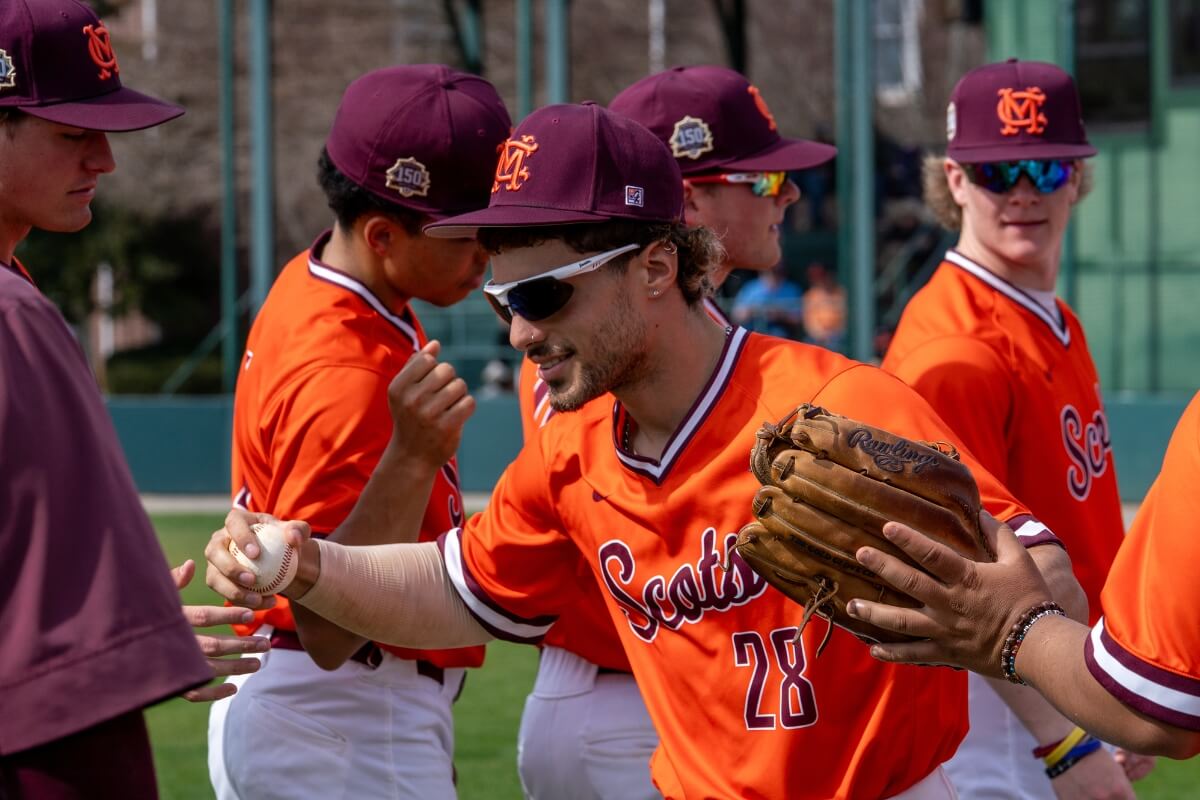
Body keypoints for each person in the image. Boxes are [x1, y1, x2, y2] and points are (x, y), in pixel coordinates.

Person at [206, 102, 1087, 800]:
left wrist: (1003, 633)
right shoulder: (573, 451)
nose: (517, 332)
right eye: (501, 299)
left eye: (545, 294)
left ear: (657, 268)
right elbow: (450, 588)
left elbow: (1042, 578)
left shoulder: (839, 404)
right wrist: (301, 562)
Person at [512, 64, 836, 799]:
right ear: (688, 201)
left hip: (634, 689)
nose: (786, 195)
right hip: (625, 694)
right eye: (761, 182)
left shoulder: (653, 341)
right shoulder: (621, 357)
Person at [205, 66, 511, 800]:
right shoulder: (344, 370)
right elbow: (329, 628)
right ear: (382, 234)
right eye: (471, 237)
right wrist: (411, 458)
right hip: (339, 707)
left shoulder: (324, 281)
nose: (487, 257)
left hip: (328, 712)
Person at [0, 1, 263, 796]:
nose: (105, 159)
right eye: (73, 131)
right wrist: (95, 652)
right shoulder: (10, 316)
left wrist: (113, 635)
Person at [880, 59, 1150, 797]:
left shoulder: (1053, 321)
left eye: (1045, 168)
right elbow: (956, 575)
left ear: (1076, 179)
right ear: (956, 181)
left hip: (1059, 673)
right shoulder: (953, 351)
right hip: (1000, 700)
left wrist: (1116, 685)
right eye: (999, 173)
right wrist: (1066, 741)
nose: (1024, 192)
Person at [844, 390, 1200, 760]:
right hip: (1018, 682)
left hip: (1059, 662)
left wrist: (1013, 631)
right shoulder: (954, 362)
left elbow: (1150, 706)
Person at [731, 260, 804, 338]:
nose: (772, 274)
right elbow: (736, 315)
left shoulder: (791, 289)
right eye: (769, 270)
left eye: (777, 270)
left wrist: (780, 315)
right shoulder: (751, 288)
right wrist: (754, 311)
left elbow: (799, 319)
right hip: (753, 333)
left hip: (782, 335)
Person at [801, 260, 847, 350]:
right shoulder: (811, 295)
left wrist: (834, 333)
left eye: (822, 275)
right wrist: (820, 334)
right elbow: (810, 322)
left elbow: (846, 318)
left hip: (838, 336)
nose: (820, 279)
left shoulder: (841, 293)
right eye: (815, 276)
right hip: (817, 338)